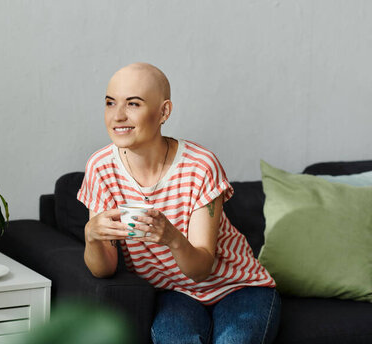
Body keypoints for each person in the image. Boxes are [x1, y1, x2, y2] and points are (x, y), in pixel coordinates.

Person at [77, 63, 281, 344]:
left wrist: (171, 237)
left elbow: (201, 269)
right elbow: (105, 269)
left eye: (133, 104)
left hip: (239, 287)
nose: (118, 116)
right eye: (110, 103)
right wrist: (92, 236)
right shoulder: (101, 168)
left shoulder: (200, 166)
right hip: (173, 293)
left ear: (164, 112)